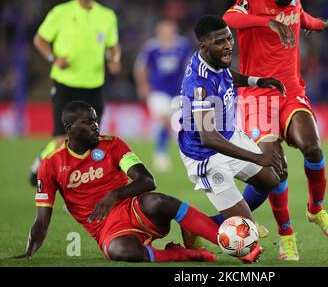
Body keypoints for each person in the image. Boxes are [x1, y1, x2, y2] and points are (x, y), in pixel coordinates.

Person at [223, 0, 328, 261]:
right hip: (257, 96)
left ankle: (316, 209)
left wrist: (317, 24)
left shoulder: (294, 0)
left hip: (291, 91)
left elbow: (300, 16)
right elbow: (229, 19)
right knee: (277, 169)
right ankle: (286, 234)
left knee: (313, 148)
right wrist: (269, 23)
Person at [14, 100, 223, 263]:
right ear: (69, 128)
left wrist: (114, 195)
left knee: (159, 201)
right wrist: (29, 252)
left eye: (95, 120)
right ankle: (183, 254)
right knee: (122, 252)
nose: (95, 126)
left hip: (133, 208)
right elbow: (42, 219)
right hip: (106, 230)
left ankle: (228, 241)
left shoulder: (112, 144)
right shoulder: (51, 165)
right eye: (87, 123)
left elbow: (148, 180)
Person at [177, 15, 287, 254]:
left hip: (228, 136)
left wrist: (257, 81)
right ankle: (194, 225)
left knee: (270, 180)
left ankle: (206, 223)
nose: (228, 45)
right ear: (204, 46)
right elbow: (209, 137)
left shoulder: (216, 62)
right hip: (205, 155)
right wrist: (256, 157)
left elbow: (228, 78)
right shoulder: (198, 84)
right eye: (220, 42)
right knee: (247, 243)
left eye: (229, 38)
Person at [29, 0, 122, 186]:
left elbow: (113, 46)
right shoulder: (60, 12)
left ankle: (79, 186)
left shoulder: (107, 16)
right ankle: (42, 162)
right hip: (66, 84)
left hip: (93, 86)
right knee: (63, 139)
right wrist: (54, 58)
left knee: (90, 140)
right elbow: (39, 40)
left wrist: (115, 58)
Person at [134, 19, 192, 172]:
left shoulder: (182, 45)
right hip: (157, 90)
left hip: (178, 91)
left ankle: (171, 152)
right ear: (159, 31)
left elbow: (189, 66)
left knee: (174, 123)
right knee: (165, 119)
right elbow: (140, 67)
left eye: (170, 30)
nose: (167, 33)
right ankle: (160, 154)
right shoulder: (151, 47)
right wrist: (142, 85)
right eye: (164, 30)